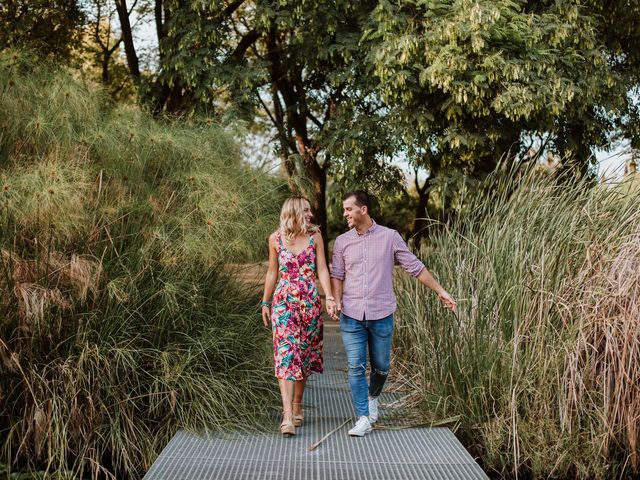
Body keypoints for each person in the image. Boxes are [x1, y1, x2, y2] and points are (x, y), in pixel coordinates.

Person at [330, 190, 457, 437]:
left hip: (382, 313)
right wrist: (335, 299)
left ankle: (373, 397)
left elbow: (415, 267)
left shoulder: (390, 237)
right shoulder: (342, 242)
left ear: (363, 209)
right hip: (352, 314)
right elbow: (337, 274)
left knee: (382, 367)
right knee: (355, 367)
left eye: (348, 209)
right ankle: (363, 417)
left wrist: (441, 291)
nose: (344, 213)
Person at [261, 197, 337, 436]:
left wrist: (331, 297)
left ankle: (297, 405)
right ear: (293, 211)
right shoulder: (275, 239)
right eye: (306, 210)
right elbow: (273, 271)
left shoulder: (315, 238)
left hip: (310, 303)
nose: (310, 214)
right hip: (283, 303)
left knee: (303, 356)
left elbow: (322, 269)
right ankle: (286, 417)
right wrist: (265, 301)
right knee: (286, 354)